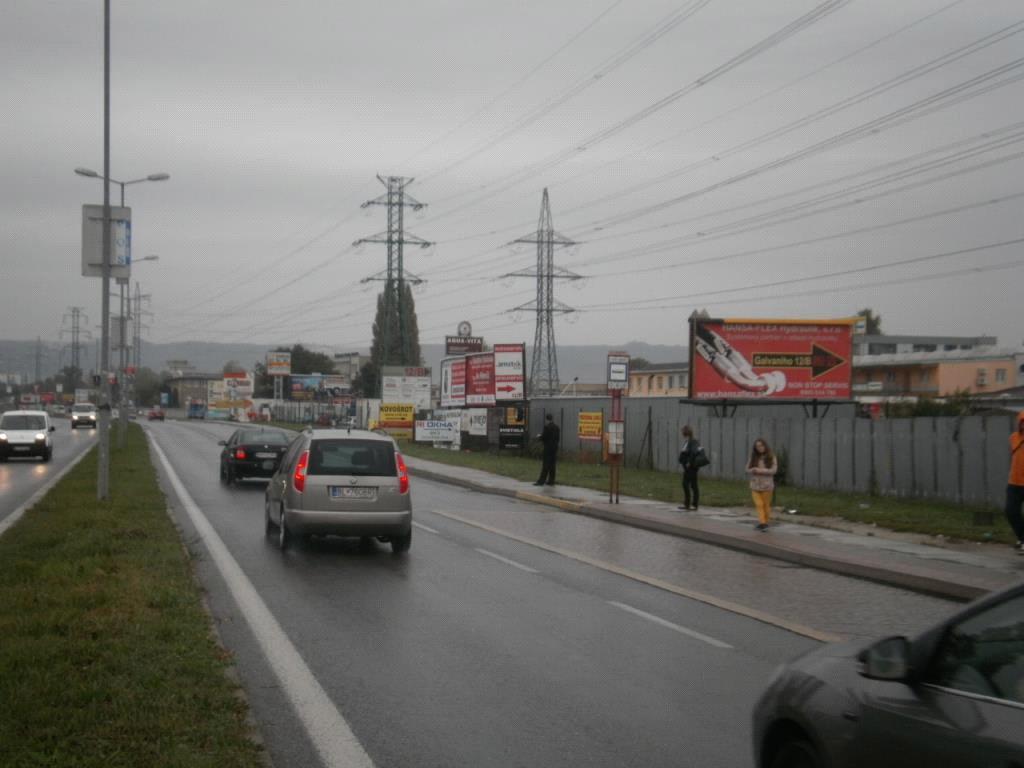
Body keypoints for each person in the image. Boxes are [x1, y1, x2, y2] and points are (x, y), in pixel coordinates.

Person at [746, 437, 777, 531]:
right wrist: (752, 470)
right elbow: (747, 469)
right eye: (757, 446)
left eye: (761, 445)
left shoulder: (771, 457)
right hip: (755, 485)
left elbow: (773, 470)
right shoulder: (753, 457)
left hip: (767, 486)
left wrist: (760, 470)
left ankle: (765, 522)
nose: (759, 448)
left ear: (765, 446)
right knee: (759, 504)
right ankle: (762, 523)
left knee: (765, 505)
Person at [1006, 410, 1024, 554]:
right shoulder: (1013, 438)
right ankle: (1022, 537)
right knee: (1011, 511)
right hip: (1014, 482)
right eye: (1022, 422)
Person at [677, 425, 703, 511]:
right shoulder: (687, 442)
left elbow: (694, 453)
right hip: (687, 468)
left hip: (691, 467)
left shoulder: (693, 441)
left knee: (693, 485)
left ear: (686, 432)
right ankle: (687, 504)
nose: (682, 434)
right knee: (685, 484)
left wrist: (689, 462)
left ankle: (694, 505)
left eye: (683, 432)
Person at [533, 414, 560, 486]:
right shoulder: (557, 427)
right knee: (552, 465)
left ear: (547, 420)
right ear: (552, 419)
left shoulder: (547, 427)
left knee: (545, 464)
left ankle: (541, 481)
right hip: (554, 448)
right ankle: (551, 481)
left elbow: (544, 437)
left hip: (548, 448)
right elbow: (557, 438)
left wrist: (539, 436)